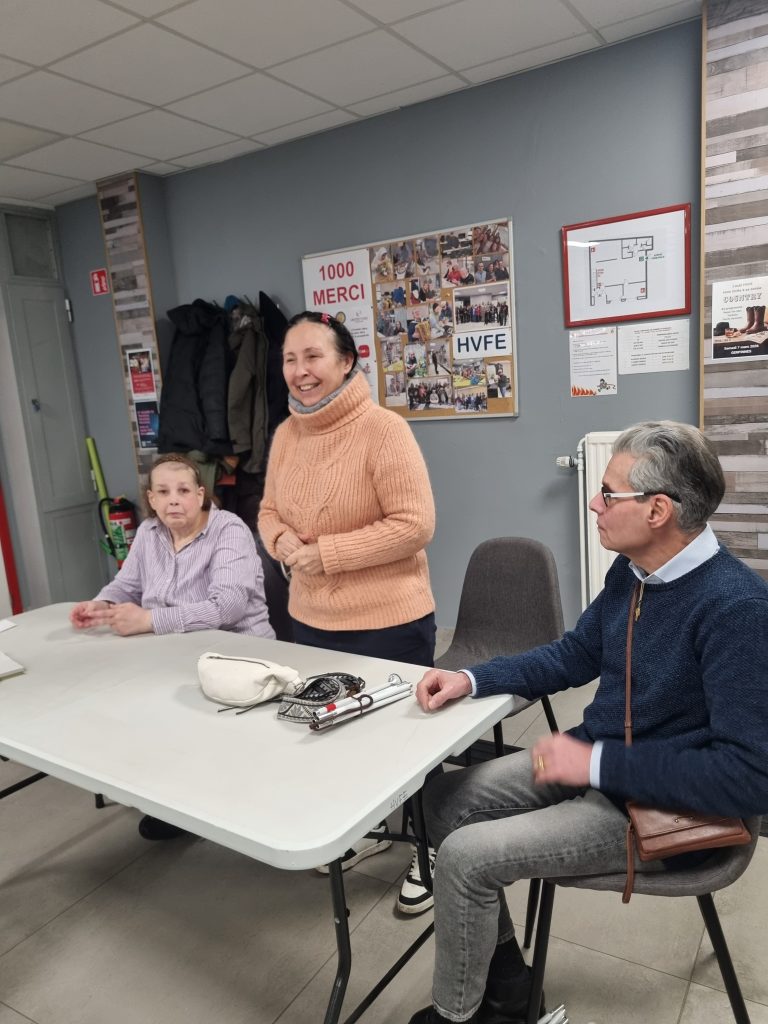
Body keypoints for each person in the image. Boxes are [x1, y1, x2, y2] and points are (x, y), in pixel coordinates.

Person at [408, 421, 768, 1024]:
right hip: (596, 760)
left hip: (661, 809)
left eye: (608, 493)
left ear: (658, 510)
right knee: (439, 802)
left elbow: (751, 777)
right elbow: (575, 654)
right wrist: (472, 679)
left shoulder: (736, 610)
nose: (595, 504)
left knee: (467, 856)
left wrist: (598, 762)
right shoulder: (632, 572)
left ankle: (459, 1016)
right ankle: (507, 988)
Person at [258, 310, 439, 914]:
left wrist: (323, 555)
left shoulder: (383, 429)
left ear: (346, 361)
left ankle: (431, 846)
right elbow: (268, 513)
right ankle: (368, 828)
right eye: (290, 358)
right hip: (310, 618)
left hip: (389, 618)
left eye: (313, 356)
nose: (300, 371)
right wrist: (287, 549)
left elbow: (414, 526)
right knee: (337, 736)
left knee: (405, 746)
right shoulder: (286, 434)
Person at [71, 452, 274, 840]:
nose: (173, 500)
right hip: (170, 652)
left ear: (201, 495)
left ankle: (226, 804)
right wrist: (102, 603)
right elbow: (127, 585)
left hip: (240, 655)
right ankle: (175, 803)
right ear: (151, 498)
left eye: (183, 490)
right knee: (141, 712)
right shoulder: (149, 534)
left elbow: (226, 608)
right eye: (163, 492)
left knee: (201, 727)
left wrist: (149, 620)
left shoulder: (228, 530)